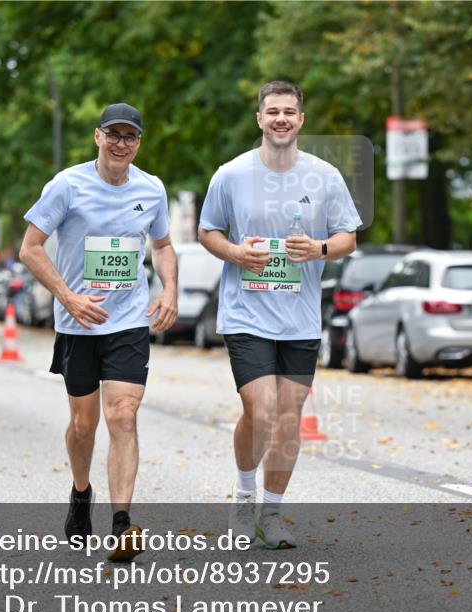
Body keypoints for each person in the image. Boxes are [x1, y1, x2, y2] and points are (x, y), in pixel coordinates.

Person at [198, 81, 360, 549]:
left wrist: (320, 248)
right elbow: (209, 230)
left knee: (288, 417)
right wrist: (234, 253)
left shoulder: (325, 177)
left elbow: (348, 237)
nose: (281, 119)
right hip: (246, 313)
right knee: (262, 409)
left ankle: (273, 515)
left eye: (290, 111)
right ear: (260, 119)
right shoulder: (230, 175)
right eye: (273, 112)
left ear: (301, 120)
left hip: (300, 318)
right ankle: (244, 502)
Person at [20, 102, 178, 562]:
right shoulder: (67, 185)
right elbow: (30, 249)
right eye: (114, 134)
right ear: (97, 136)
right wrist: (68, 297)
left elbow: (163, 245)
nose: (121, 143)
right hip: (79, 323)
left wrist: (170, 289)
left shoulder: (152, 190)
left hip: (128, 321)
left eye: (130, 136)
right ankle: (80, 492)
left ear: (139, 143)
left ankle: (122, 523)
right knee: (84, 425)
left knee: (124, 415)